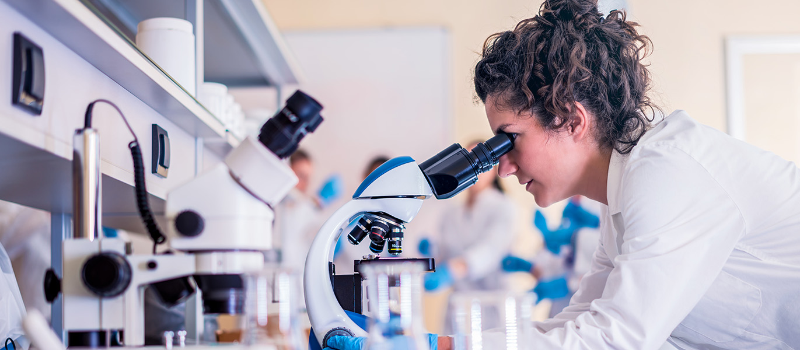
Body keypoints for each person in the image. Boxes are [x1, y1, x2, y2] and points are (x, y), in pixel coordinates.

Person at [325, 0, 800, 349]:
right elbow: (580, 321)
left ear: (572, 120)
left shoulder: (670, 174)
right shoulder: (624, 193)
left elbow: (613, 340)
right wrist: (436, 344)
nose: (504, 166)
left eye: (509, 140)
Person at [420, 141, 517, 294]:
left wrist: (452, 271)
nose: (473, 167)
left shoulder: (502, 207)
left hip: (492, 301)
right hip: (459, 301)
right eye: (466, 162)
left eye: (479, 161)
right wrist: (432, 250)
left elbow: (490, 250)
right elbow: (446, 253)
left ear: (493, 169)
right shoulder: (452, 213)